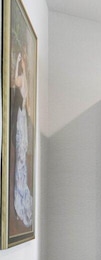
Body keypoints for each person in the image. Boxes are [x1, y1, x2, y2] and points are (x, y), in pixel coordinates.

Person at [12, 50, 33, 228]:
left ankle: (20, 198)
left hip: (20, 118)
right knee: (21, 158)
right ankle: (21, 193)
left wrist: (16, 66)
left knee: (20, 157)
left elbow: (13, 81)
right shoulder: (25, 80)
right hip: (23, 118)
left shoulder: (20, 80)